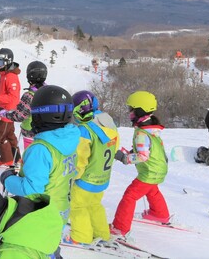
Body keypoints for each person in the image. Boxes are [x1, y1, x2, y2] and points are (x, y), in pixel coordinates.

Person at [0, 85, 80, 227]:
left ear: (40, 116)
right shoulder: (69, 140)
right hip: (60, 210)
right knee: (50, 245)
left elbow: (32, 189)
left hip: (41, 215)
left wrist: (8, 179)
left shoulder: (41, 149)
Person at [110, 91, 170, 238]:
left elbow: (143, 156)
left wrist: (125, 158)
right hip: (159, 168)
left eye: (131, 109)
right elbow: (148, 148)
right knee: (152, 190)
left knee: (130, 196)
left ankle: (120, 228)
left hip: (149, 171)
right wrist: (132, 150)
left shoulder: (141, 133)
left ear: (139, 110)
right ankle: (159, 214)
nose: (129, 112)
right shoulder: (151, 128)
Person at [64, 90, 119, 246]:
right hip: (102, 176)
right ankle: (101, 233)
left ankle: (81, 236)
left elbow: (80, 159)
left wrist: (72, 175)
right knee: (95, 205)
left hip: (86, 179)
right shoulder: (109, 125)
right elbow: (114, 147)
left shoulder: (84, 131)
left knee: (77, 205)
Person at [0, 61, 48, 155]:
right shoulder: (48, 91)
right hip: (46, 133)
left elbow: (19, 116)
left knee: (31, 158)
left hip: (30, 133)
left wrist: (4, 113)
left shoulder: (30, 95)